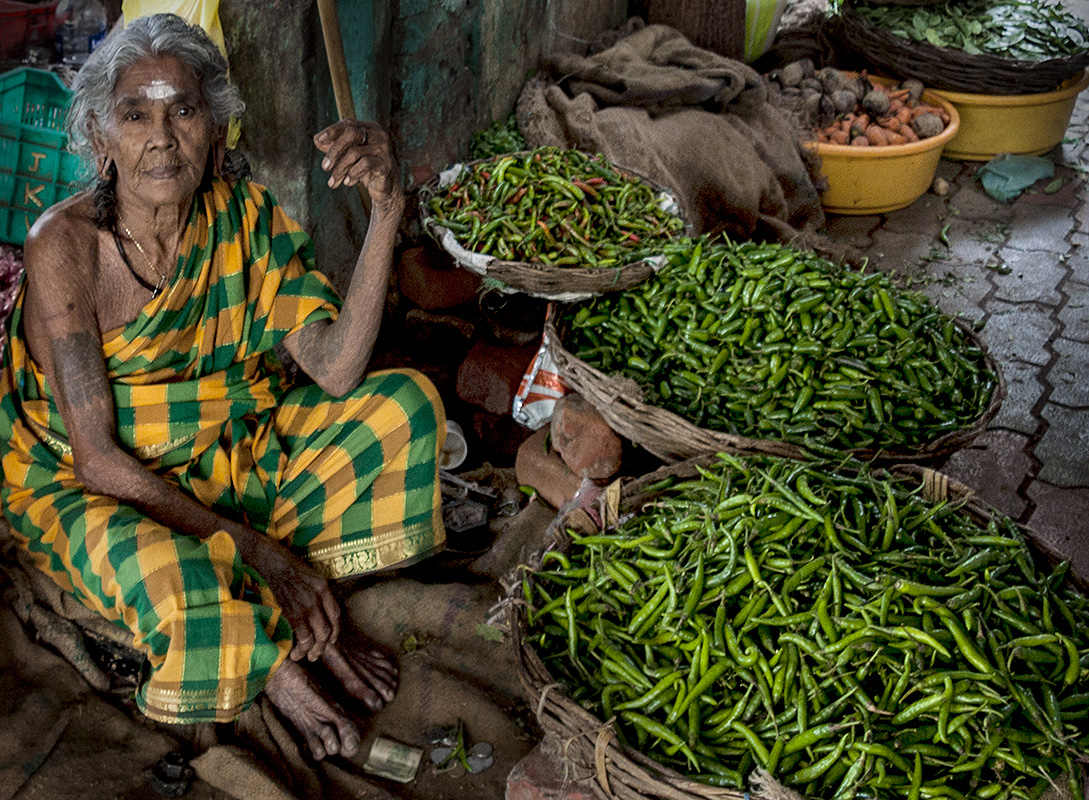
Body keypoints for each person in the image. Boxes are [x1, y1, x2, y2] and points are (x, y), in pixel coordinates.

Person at [0, 13, 447, 762]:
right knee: (178, 589)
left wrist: (387, 211)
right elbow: (97, 460)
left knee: (401, 408)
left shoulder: (245, 217)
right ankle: (270, 662)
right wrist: (262, 557)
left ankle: (264, 591)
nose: (162, 136)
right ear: (101, 140)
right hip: (88, 483)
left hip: (221, 455)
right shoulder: (63, 244)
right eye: (134, 114)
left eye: (182, 109)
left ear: (215, 127)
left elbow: (335, 370)